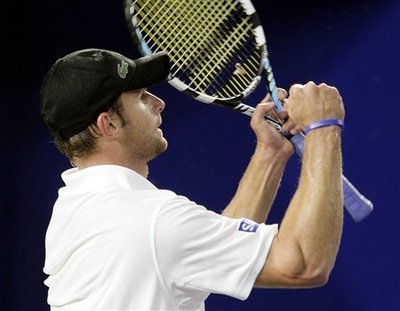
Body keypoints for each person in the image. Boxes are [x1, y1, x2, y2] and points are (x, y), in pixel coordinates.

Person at [40, 48, 345, 310]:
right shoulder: (152, 221)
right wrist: (324, 126)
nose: (159, 103)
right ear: (108, 125)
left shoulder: (76, 209)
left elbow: (200, 250)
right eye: (141, 97)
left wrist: (271, 152)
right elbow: (303, 264)